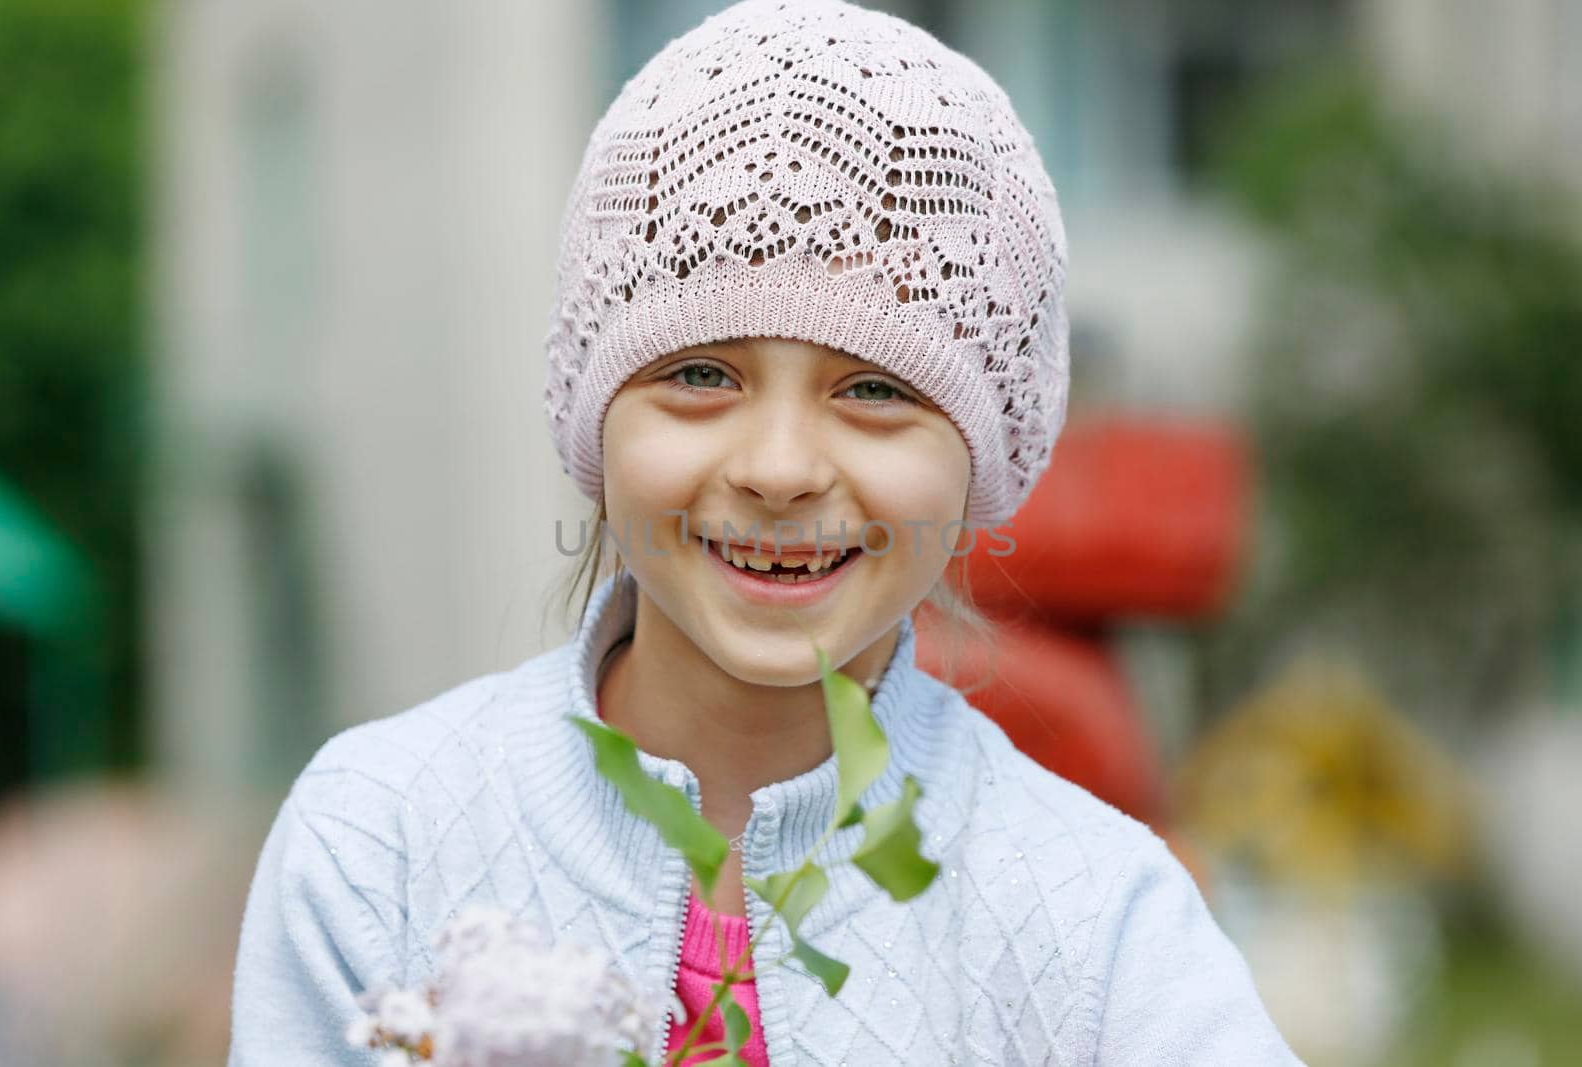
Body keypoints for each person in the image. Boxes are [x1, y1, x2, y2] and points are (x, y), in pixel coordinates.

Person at [228, 1, 1304, 1063]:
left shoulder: (1098, 920)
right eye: (699, 374)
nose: (779, 468)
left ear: (985, 450)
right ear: (593, 417)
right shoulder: (381, 840)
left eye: (875, 387)